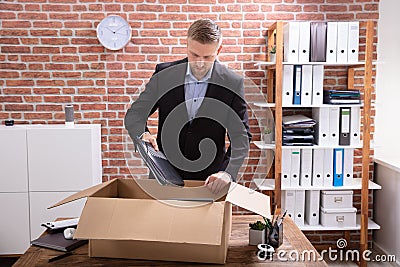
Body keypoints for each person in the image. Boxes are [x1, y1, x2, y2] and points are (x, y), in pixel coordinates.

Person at [124, 19, 251, 194]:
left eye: (207, 57)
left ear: (219, 50)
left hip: (210, 181)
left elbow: (241, 137)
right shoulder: (164, 74)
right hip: (164, 175)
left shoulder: (232, 83)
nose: (199, 63)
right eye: (194, 55)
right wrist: (142, 134)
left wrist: (228, 173)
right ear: (187, 45)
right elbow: (135, 114)